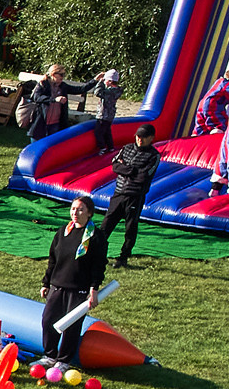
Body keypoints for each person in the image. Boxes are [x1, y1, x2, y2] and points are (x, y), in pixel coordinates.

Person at [39, 193, 108, 368]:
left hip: (79, 290)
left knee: (72, 326)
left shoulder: (96, 237)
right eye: (73, 209)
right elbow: (53, 259)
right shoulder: (63, 231)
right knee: (48, 320)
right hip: (57, 286)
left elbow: (98, 265)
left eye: (80, 209)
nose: (75, 213)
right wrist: (46, 282)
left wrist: (93, 289)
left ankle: (63, 361)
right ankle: (50, 356)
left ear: (89, 213)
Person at [106, 122, 160, 268]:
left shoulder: (153, 156)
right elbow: (115, 166)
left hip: (135, 196)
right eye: (138, 136)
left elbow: (143, 177)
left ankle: (123, 258)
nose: (139, 139)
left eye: (143, 137)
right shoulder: (126, 148)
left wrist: (125, 168)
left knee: (130, 228)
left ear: (151, 138)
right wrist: (132, 170)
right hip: (119, 193)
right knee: (106, 225)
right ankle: (98, 254)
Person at [194, 68, 229, 138]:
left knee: (201, 126)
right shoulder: (226, 84)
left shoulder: (218, 82)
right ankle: (216, 135)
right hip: (212, 105)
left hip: (201, 104)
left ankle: (196, 136)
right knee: (219, 123)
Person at [90, 69, 123, 153]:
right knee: (107, 131)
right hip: (110, 115)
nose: (104, 81)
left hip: (103, 115)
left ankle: (102, 147)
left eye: (106, 80)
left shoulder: (109, 92)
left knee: (98, 132)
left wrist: (100, 81)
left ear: (110, 81)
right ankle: (110, 147)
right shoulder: (117, 91)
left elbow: (97, 92)